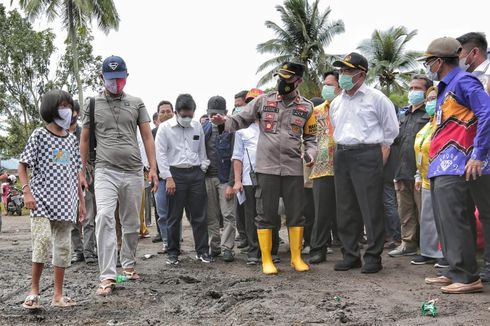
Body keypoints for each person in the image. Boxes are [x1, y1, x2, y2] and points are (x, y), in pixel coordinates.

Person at [212, 62, 317, 275]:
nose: (282, 82)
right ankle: (267, 259)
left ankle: (296, 258)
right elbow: (241, 118)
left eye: (287, 79)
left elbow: (312, 138)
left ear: (298, 81)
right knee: (265, 214)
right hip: (266, 167)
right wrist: (224, 122)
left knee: (296, 214)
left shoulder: (306, 107)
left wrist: (310, 154)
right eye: (280, 78)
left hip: (293, 169)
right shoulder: (263, 101)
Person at [79, 55, 158, 296]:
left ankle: (129, 265)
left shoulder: (137, 102)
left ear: (126, 77)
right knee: (103, 216)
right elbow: (84, 138)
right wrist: (82, 170)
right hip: (105, 170)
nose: (116, 83)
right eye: (111, 79)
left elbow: (146, 136)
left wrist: (153, 168)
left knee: (131, 222)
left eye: (120, 78)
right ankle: (107, 276)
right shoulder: (92, 103)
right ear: (102, 78)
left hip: (133, 171)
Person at [420, 37, 490, 294]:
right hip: (442, 163)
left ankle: (467, 276)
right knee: (446, 220)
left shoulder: (465, 81)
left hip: (459, 161)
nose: (427, 67)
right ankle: (453, 269)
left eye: (428, 62)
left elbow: (487, 113)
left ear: (439, 62)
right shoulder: (444, 88)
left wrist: (478, 154)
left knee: (457, 217)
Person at [329, 53, 399, 274]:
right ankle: (350, 255)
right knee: (345, 207)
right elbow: (336, 128)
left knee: (370, 208)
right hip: (342, 154)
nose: (343, 76)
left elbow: (391, 130)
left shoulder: (376, 98)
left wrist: (380, 156)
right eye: (341, 72)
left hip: (367, 154)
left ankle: (373, 256)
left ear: (361, 74)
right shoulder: (336, 102)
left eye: (347, 72)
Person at [18, 89, 85, 309]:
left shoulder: (71, 141)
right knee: (43, 241)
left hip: (66, 203)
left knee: (63, 247)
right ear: (50, 108)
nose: (68, 111)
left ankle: (58, 295)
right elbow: (23, 165)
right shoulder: (39, 135)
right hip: (40, 201)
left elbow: (76, 174)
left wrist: (81, 203)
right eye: (62, 106)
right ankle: (34, 291)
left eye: (69, 106)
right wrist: (27, 191)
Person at [155, 94, 212, 265]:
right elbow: (161, 154)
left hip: (195, 174)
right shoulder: (165, 128)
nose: (187, 118)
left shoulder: (197, 127)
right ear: (176, 113)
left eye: (190, 114)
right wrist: (169, 178)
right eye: (184, 115)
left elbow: (202, 151)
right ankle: (173, 253)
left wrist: (202, 169)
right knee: (174, 216)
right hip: (175, 175)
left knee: (199, 216)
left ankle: (202, 251)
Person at [457, 32, 490, 281]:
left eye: (460, 53)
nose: (459, 58)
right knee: (467, 211)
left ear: (474, 53)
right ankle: (472, 264)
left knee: (488, 211)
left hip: (483, 156)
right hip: (467, 157)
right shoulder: (464, 79)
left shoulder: (487, 78)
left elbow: (487, 117)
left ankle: (488, 264)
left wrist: (479, 153)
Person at [388, 75, 432, 257]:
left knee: (424, 212)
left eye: (418, 88)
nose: (413, 91)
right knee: (404, 211)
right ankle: (408, 244)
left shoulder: (429, 114)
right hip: (401, 170)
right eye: (411, 88)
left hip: (420, 173)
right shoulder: (402, 114)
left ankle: (428, 248)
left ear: (427, 91)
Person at [308, 72, 342, 264]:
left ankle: (348, 249)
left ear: (340, 86)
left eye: (330, 84)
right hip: (321, 166)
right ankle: (318, 248)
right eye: (325, 84)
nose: (326, 87)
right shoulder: (316, 111)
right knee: (321, 212)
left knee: (345, 210)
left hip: (345, 165)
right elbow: (307, 136)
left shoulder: (347, 107)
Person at [410, 87, 446, 267]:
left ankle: (443, 253)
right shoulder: (428, 124)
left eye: (434, 98)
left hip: (440, 175)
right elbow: (420, 150)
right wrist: (417, 174)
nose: (431, 102)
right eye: (429, 99)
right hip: (424, 177)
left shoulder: (444, 124)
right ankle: (428, 251)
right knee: (427, 218)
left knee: (441, 217)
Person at [202, 96, 237, 262]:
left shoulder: (232, 130)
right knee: (211, 215)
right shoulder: (203, 129)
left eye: (218, 113)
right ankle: (214, 246)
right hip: (208, 177)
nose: (215, 117)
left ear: (226, 113)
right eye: (212, 113)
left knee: (229, 214)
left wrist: (232, 183)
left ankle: (227, 248)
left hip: (225, 179)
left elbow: (236, 157)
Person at [70, 101, 97, 265]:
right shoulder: (60, 134)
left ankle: (89, 252)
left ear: (78, 113)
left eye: (72, 111)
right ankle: (78, 251)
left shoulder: (84, 133)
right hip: (67, 184)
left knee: (88, 218)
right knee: (72, 221)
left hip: (86, 182)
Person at [152, 100, 174, 245]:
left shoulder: (180, 130)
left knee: (176, 214)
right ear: (158, 115)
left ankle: (176, 242)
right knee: (162, 213)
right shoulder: (151, 133)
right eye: (162, 112)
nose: (165, 114)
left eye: (168, 111)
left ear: (173, 113)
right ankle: (167, 242)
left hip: (177, 178)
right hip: (159, 179)